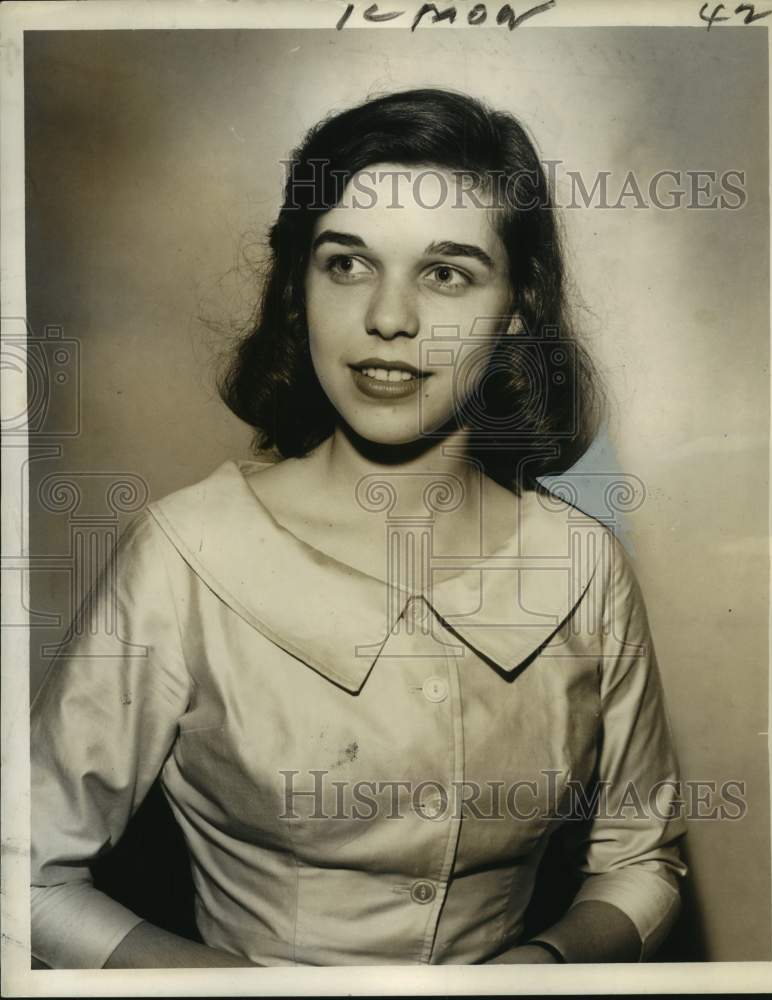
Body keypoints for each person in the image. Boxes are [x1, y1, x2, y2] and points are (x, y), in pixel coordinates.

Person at [30, 88, 687, 969]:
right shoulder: (186, 551)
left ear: (518, 307)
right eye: (346, 263)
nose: (387, 317)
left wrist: (545, 965)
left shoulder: (581, 565)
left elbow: (643, 859)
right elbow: (23, 872)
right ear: (298, 288)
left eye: (447, 272)